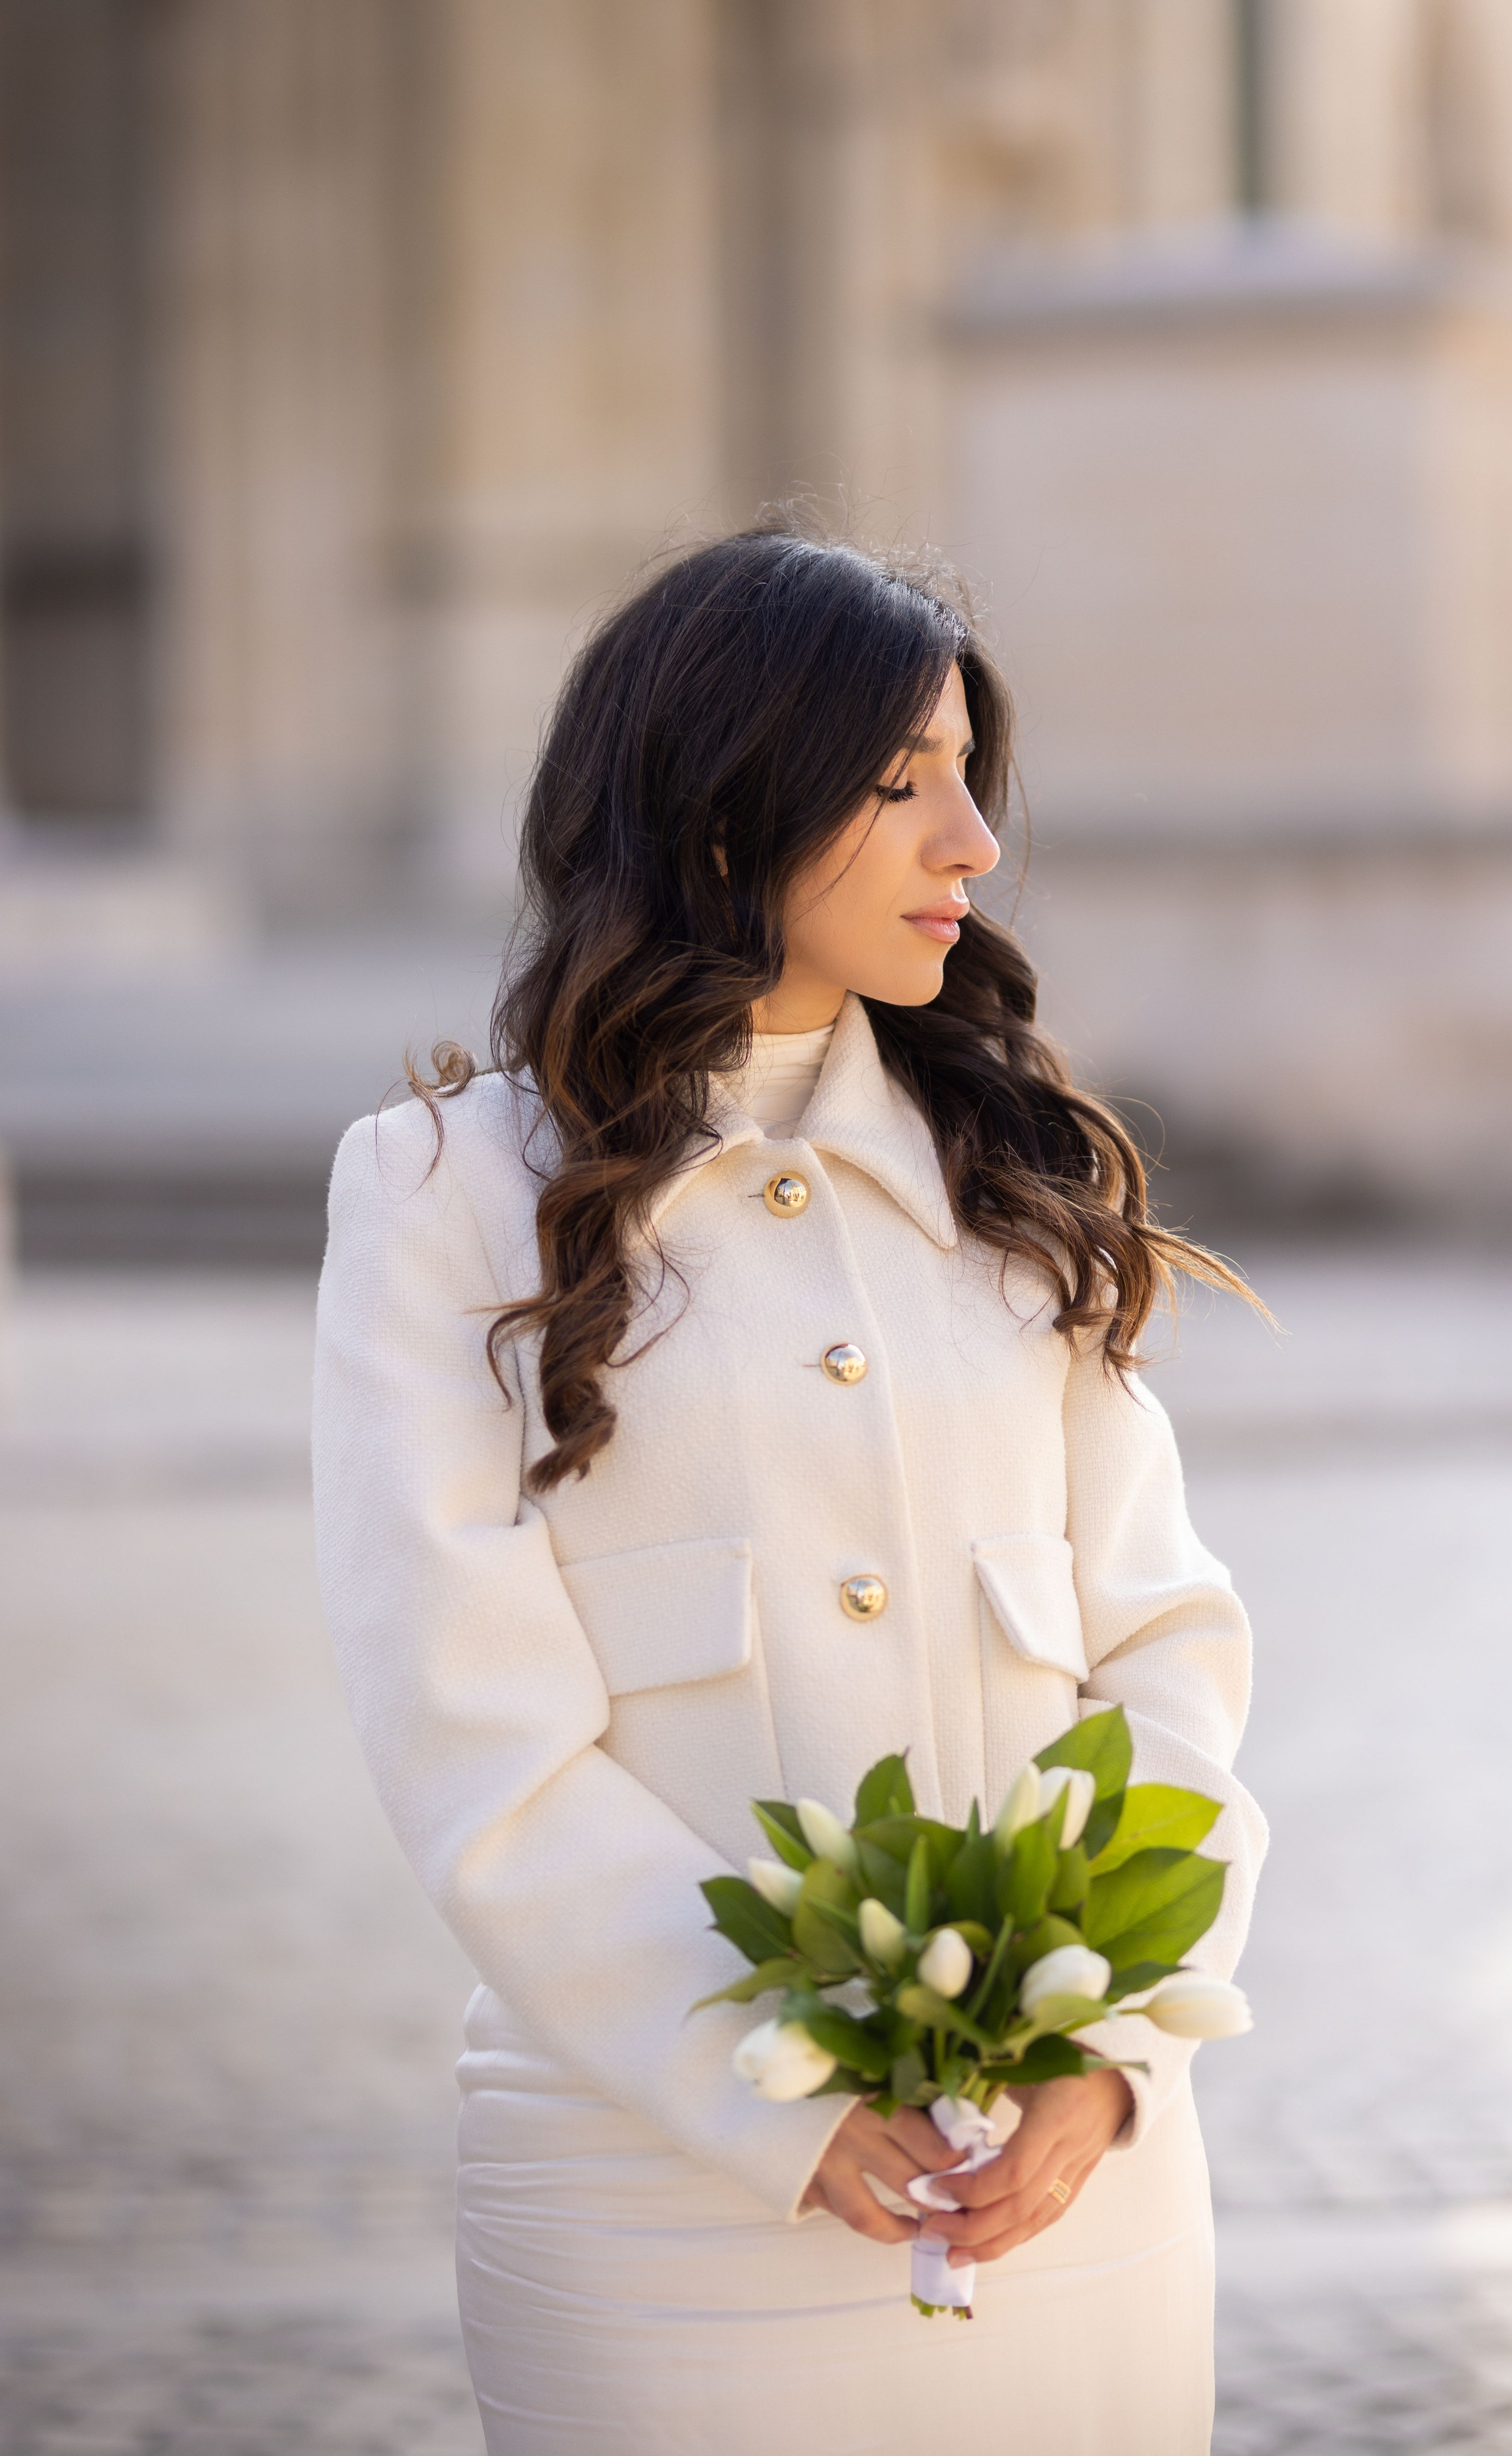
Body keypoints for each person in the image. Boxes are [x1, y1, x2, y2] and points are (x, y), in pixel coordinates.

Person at [312, 524, 1268, 2453]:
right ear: (728, 809)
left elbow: (1167, 1645)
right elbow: (473, 1740)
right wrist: (785, 2088)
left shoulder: (1011, 1185)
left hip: (1072, 2187)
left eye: (970, 779)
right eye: (902, 782)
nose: (972, 844)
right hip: (657, 2196)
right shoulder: (446, 1196)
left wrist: (1113, 2047)